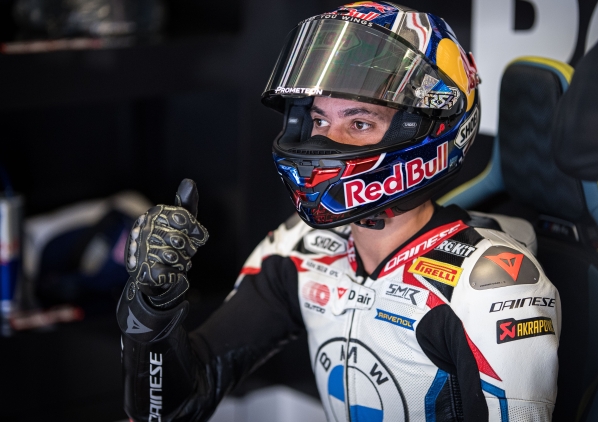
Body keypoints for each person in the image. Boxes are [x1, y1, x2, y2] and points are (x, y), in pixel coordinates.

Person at [117, 2, 561, 421]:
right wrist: (152, 312)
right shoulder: (298, 250)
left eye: (360, 122)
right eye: (319, 120)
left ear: (429, 129)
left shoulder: (490, 287)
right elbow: (172, 410)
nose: (326, 142)